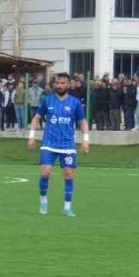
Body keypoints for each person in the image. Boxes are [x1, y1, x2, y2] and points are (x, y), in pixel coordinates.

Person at [28, 72, 89, 217]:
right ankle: (43, 201)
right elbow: (36, 118)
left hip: (67, 145)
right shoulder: (47, 101)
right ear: (54, 84)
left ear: (68, 85)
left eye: (63, 83)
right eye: (58, 83)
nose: (60, 85)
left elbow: (83, 122)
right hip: (49, 143)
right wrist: (31, 137)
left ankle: (67, 207)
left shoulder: (75, 103)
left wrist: (86, 140)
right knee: (45, 173)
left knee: (68, 175)